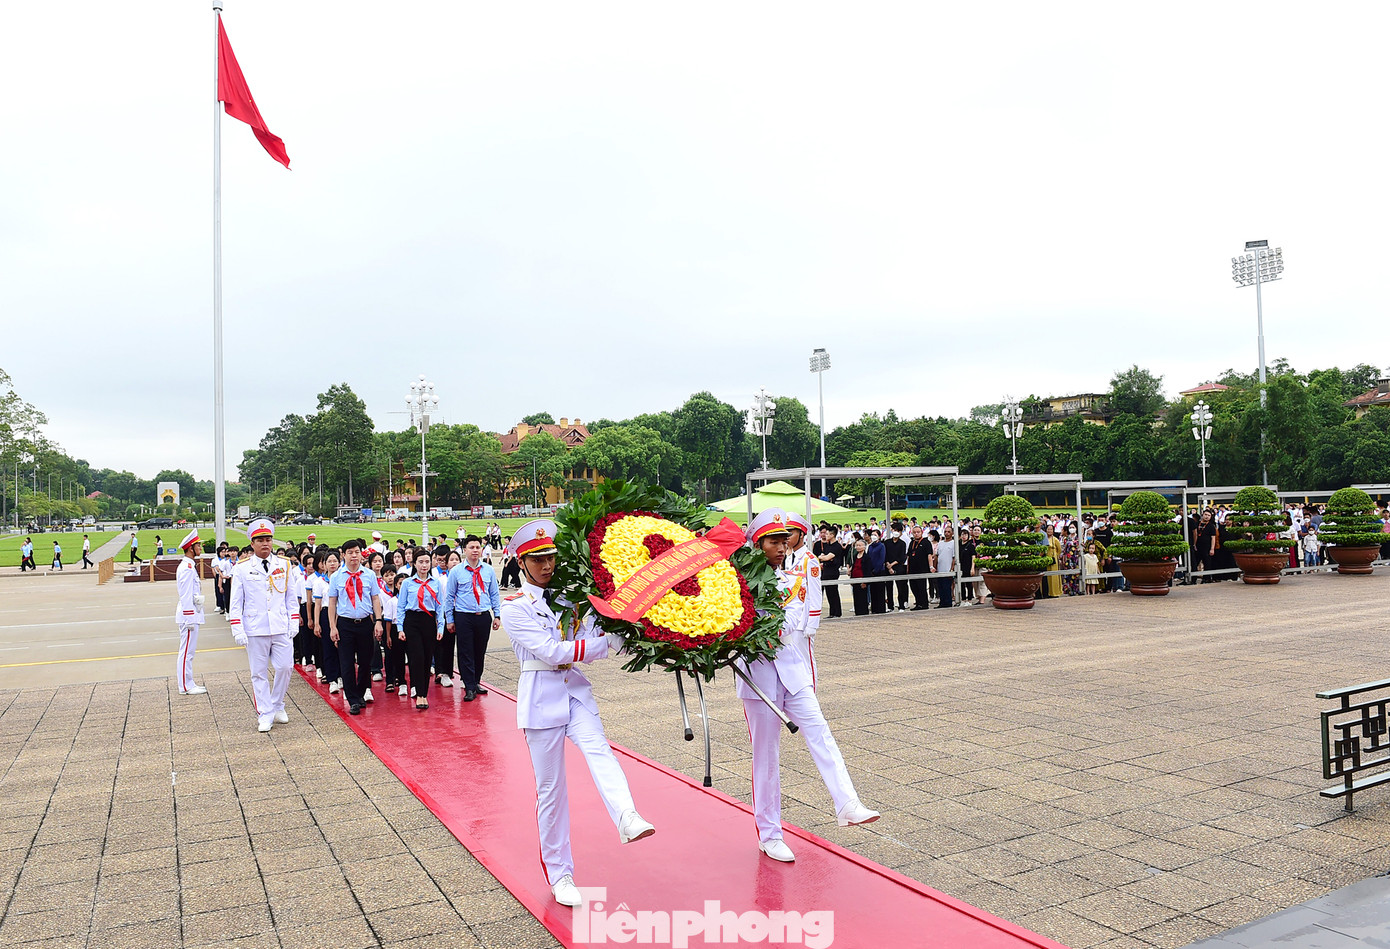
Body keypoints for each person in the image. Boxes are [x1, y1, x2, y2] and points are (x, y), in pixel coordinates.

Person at [501, 518, 655, 908]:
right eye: (537, 560)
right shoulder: (515, 607)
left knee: (599, 749)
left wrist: (624, 627)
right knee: (552, 792)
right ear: (522, 564)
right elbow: (552, 652)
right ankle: (560, 874)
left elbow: (585, 638)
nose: (546, 566)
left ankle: (627, 815)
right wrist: (602, 645)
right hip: (540, 697)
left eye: (550, 557)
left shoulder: (570, 598)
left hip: (574, 691)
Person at [736, 509, 878, 864]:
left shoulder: (793, 578)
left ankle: (847, 802)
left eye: (785, 541)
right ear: (757, 544)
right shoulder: (735, 585)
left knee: (821, 732)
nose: (782, 547)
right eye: (774, 541)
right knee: (766, 759)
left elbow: (798, 627)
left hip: (794, 674)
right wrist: (751, 639)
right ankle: (769, 834)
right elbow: (729, 631)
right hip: (760, 680)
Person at [228, 519, 301, 733]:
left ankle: (277, 704)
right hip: (255, 627)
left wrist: (293, 621)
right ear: (252, 543)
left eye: (268, 539)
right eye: (260, 540)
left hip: (280, 625)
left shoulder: (284, 564)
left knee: (285, 667)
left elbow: (290, 598)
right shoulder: (241, 569)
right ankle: (265, 713)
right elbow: (236, 603)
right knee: (258, 673)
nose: (265, 544)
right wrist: (237, 628)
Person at [327, 539, 384, 716]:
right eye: (350, 552)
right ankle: (352, 699)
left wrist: (379, 621)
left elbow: (375, 598)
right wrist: (332, 627)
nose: (354, 555)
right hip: (345, 624)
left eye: (357, 552)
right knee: (346, 663)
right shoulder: (337, 576)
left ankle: (360, 693)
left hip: (365, 623)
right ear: (343, 555)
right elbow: (332, 602)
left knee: (366, 661)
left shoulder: (369, 575)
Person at [445, 535, 502, 701]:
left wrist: (496, 614)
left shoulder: (488, 570)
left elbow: (494, 593)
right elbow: (449, 596)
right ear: (464, 550)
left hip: (483, 615)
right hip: (463, 616)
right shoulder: (456, 571)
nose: (475, 550)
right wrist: (450, 619)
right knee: (465, 651)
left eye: (478, 547)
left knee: (480, 651)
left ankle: (476, 681)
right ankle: (469, 686)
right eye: (472, 547)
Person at [397, 547, 444, 708]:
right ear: (414, 564)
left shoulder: (435, 583)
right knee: (416, 658)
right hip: (412, 621)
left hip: (429, 621)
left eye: (427, 562)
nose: (424, 565)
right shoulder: (408, 583)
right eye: (421, 562)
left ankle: (424, 692)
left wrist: (440, 628)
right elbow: (401, 607)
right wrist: (400, 628)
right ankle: (419, 693)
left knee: (426, 659)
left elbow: (440, 608)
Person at [175, 530, 208, 695]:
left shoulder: (189, 566)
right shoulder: (187, 568)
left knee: (189, 652)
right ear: (190, 548)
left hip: (192, 613)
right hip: (189, 615)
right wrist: (189, 618)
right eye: (198, 545)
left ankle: (188, 682)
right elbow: (186, 594)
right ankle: (185, 685)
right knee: (187, 652)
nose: (200, 548)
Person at [813, 525, 844, 619]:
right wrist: (823, 558)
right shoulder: (827, 545)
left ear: (832, 535)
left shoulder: (836, 546)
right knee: (829, 593)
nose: (825, 535)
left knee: (833, 592)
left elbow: (826, 557)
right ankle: (832, 612)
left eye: (827, 534)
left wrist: (823, 557)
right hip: (826, 570)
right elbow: (823, 556)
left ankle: (837, 612)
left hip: (832, 571)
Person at [906, 525, 931, 609]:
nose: (916, 534)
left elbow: (929, 555)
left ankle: (924, 604)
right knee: (913, 587)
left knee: (921, 587)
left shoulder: (926, 542)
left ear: (922, 532)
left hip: (922, 569)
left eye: (918, 532)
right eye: (914, 532)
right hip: (912, 569)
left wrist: (931, 566)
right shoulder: (911, 543)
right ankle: (918, 603)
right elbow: (909, 556)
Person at [934, 523, 957, 608]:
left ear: (952, 533)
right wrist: (935, 567)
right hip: (940, 569)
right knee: (940, 587)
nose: (947, 533)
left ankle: (948, 603)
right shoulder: (940, 543)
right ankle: (942, 603)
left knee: (947, 587)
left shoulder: (954, 543)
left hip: (948, 569)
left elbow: (954, 557)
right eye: (945, 531)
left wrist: (951, 569)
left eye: (949, 532)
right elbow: (937, 555)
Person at [865, 531, 887, 613]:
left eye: (875, 535)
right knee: (873, 591)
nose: (873, 536)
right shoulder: (871, 546)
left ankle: (880, 609)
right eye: (872, 535)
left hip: (879, 571)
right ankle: (874, 609)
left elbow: (881, 559)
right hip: (871, 572)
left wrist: (876, 570)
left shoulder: (881, 546)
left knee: (880, 591)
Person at [848, 538, 870, 615]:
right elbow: (853, 567)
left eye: (860, 545)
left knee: (862, 598)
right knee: (856, 597)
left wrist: (865, 582)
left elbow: (867, 570)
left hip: (862, 580)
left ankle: (863, 613)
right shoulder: (855, 556)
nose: (858, 547)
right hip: (855, 579)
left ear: (864, 547)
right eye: (857, 545)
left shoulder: (866, 557)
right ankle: (857, 612)